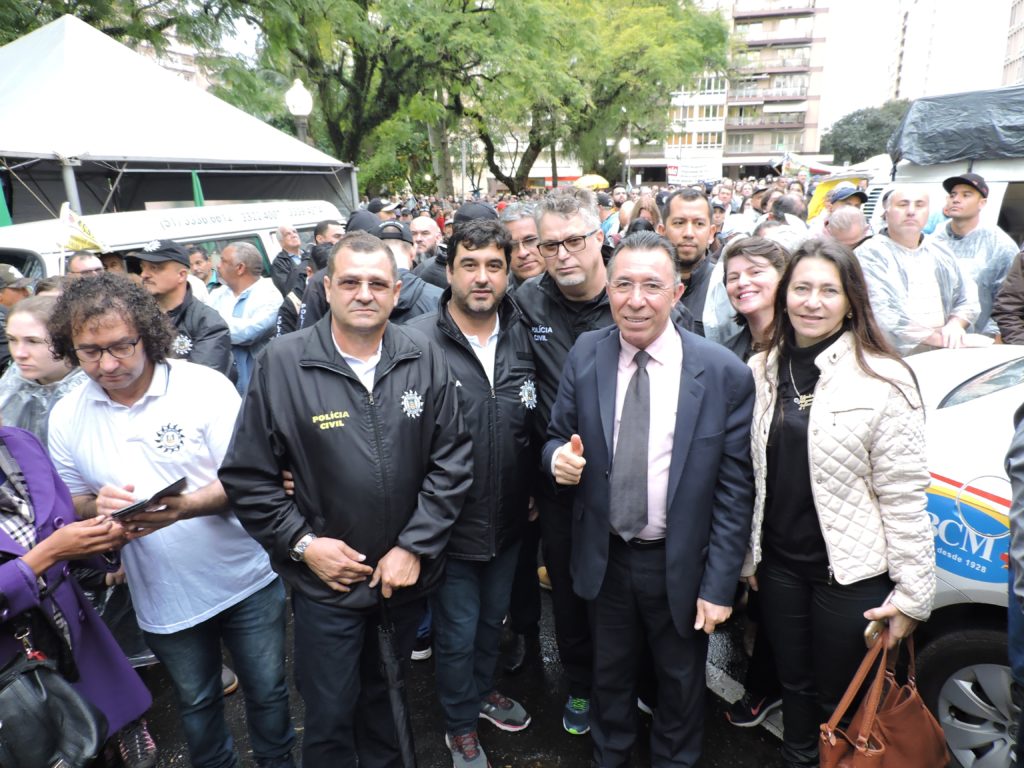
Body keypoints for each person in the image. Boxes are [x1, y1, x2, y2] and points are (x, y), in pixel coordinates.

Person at [218, 232, 472, 768]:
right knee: (331, 715)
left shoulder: (424, 355)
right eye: (350, 282)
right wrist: (303, 544)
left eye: (377, 283)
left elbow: (452, 461)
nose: (364, 293)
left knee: (389, 704)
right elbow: (248, 476)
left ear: (397, 292)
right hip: (325, 586)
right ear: (326, 287)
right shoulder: (283, 363)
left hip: (400, 581)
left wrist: (414, 546)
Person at [46, 274, 296, 768]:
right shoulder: (67, 414)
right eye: (90, 352)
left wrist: (185, 507)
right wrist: (95, 506)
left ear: (147, 332)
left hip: (245, 579)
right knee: (198, 706)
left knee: (269, 694)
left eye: (121, 346)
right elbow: (69, 500)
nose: (108, 364)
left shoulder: (203, 387)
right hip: (162, 596)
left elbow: (250, 480)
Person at [544, 230, 756, 767]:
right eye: (623, 285)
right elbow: (555, 434)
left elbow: (735, 491)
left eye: (651, 286)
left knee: (681, 684)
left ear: (677, 292)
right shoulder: (587, 353)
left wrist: (720, 584)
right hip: (608, 557)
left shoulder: (722, 373)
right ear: (608, 289)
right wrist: (556, 460)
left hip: (680, 563)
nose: (635, 300)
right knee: (609, 679)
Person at [744, 238, 936, 767]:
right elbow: (751, 476)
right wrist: (749, 559)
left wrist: (913, 594)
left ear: (852, 300)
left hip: (851, 576)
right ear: (784, 296)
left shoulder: (884, 377)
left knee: (845, 701)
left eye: (828, 290)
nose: (812, 301)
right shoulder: (761, 370)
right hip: (780, 567)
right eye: (801, 288)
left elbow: (903, 493)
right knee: (795, 688)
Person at [408, 219, 536, 767]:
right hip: (448, 526)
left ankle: (482, 694)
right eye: (470, 264)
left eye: (494, 266)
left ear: (508, 272)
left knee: (492, 623)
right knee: (456, 632)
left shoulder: (524, 332)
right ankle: (459, 723)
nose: (482, 278)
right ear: (450, 268)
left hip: (509, 520)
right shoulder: (413, 340)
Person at [513, 190, 610, 735]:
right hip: (558, 483)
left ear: (599, 237)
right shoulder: (526, 301)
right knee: (570, 592)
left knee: (624, 590)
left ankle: (630, 680)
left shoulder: (630, 291)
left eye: (575, 240)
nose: (563, 254)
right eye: (551, 245)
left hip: (628, 482)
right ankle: (580, 684)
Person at [0, 426, 152, 763]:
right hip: (15, 682)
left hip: (76, 642)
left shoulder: (17, 443)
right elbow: (50, 548)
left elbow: (57, 527)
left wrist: (104, 535)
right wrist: (45, 556)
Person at [855, 186, 980, 355]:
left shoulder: (940, 251)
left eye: (920, 205)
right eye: (903, 204)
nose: (911, 211)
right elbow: (882, 313)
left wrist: (955, 324)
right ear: (887, 212)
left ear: (928, 212)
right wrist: (940, 340)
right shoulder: (870, 254)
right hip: (888, 358)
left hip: (942, 355)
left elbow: (968, 297)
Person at [132, 240, 233, 379]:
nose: (144, 274)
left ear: (181, 275)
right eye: (143, 267)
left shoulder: (207, 322)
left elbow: (203, 380)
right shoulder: (136, 317)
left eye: (154, 268)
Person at [932, 173, 1015, 336]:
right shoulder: (933, 240)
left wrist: (994, 337)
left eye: (966, 195)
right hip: (934, 338)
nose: (956, 199)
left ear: (982, 203)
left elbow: (1008, 301)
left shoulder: (1000, 245)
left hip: (979, 341)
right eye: (952, 195)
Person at [0, 296, 88, 447]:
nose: (19, 353)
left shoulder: (91, 392)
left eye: (33, 341)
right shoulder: (13, 379)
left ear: (66, 341)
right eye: (12, 339)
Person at [207, 242, 282, 392]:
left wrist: (214, 328)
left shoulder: (269, 295)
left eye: (223, 261)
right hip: (225, 381)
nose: (217, 266)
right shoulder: (217, 294)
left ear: (240, 268)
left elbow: (248, 333)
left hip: (259, 382)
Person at [721, 236, 790, 361]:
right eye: (733, 277)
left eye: (755, 272)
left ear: (783, 277)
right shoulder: (725, 356)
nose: (742, 282)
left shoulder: (804, 344)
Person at [657, 189, 715, 335]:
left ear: (711, 233)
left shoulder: (725, 285)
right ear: (662, 231)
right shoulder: (642, 284)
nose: (689, 233)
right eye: (679, 223)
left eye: (699, 224)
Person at [500, 203, 546, 287]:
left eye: (530, 241)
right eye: (512, 246)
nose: (522, 253)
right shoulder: (499, 296)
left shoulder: (572, 288)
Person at [270, 224, 304, 297]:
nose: (294, 235)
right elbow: (287, 289)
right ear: (281, 242)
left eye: (295, 232)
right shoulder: (279, 263)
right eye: (288, 234)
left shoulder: (309, 254)